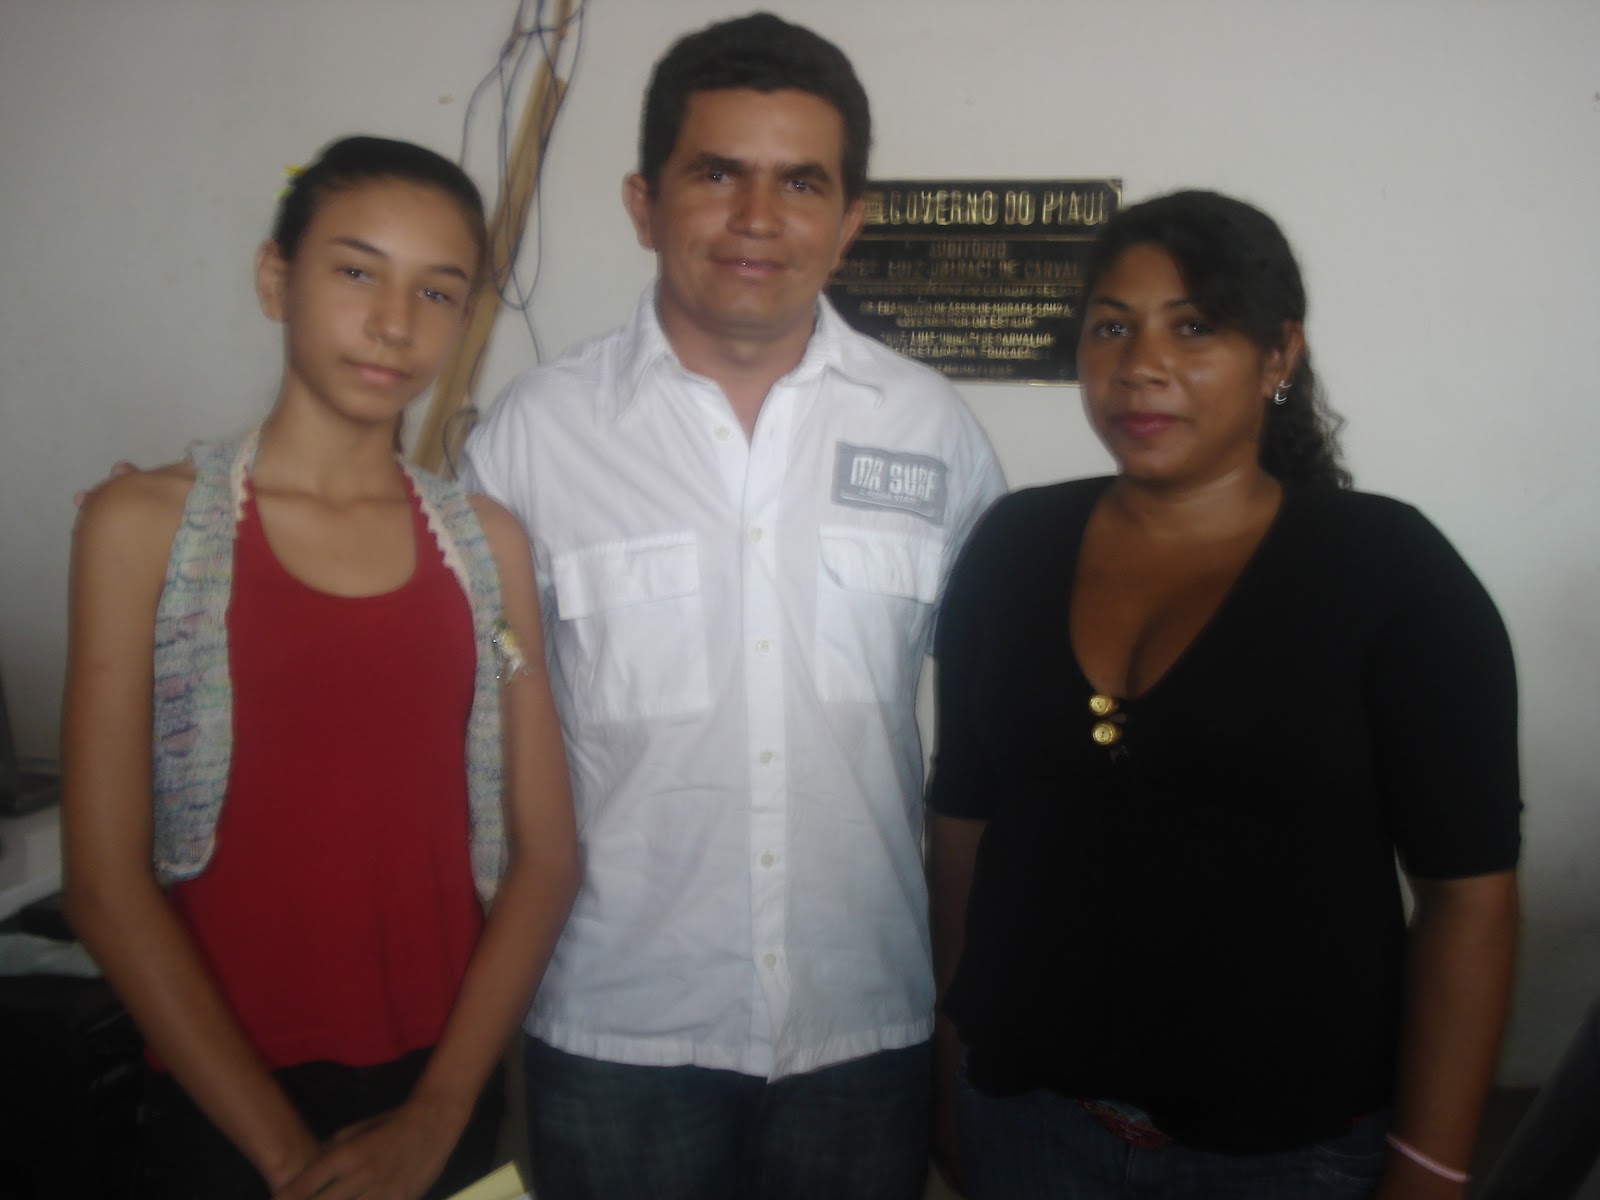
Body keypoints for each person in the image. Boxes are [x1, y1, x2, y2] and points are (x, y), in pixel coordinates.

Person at [460, 13, 1005, 1200]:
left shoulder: (934, 433)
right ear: (643, 204)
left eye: (800, 182)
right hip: (613, 1028)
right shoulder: (531, 441)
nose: (758, 218)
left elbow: (993, 740)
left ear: (850, 221)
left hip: (864, 1026)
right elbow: (466, 747)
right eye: (717, 174)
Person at [927, 189, 1521, 1199]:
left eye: (1194, 327)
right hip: (1027, 1127)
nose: (1140, 364)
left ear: (1278, 355)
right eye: (1111, 327)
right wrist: (952, 1065)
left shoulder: (1388, 571)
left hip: (1291, 1156)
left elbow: (1468, 897)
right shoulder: (1014, 546)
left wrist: (1429, 1168)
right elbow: (961, 832)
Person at [61, 135, 579, 1200]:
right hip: (222, 1096)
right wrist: (290, 1163)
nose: (394, 323)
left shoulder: (487, 554)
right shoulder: (145, 528)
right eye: (355, 272)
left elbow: (546, 852)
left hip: (444, 1085)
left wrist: (435, 1119)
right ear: (275, 279)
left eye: (437, 292)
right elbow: (104, 885)